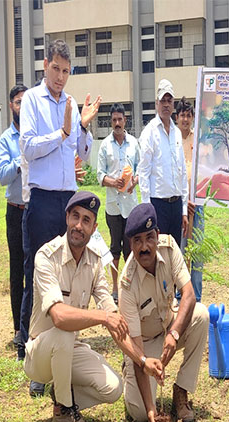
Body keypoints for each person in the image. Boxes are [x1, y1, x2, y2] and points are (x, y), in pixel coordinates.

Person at [23, 191, 164, 422]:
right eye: (75, 217)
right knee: (64, 332)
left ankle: (61, 399)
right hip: (40, 354)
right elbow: (59, 317)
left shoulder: (95, 262)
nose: (79, 225)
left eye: (86, 220)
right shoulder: (46, 256)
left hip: (69, 349)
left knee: (113, 388)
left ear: (94, 227)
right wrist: (101, 317)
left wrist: (142, 361)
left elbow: (114, 320)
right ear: (67, 217)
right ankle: (66, 412)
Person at [17, 39, 102, 387]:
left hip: (68, 202)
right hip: (42, 200)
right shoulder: (33, 102)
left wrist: (82, 127)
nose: (61, 77)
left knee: (67, 275)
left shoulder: (69, 102)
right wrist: (63, 131)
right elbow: (28, 147)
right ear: (45, 65)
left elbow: (80, 151)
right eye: (56, 69)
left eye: (66, 72)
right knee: (38, 277)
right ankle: (35, 355)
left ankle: (64, 344)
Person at [119, 203, 209, 422]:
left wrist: (175, 332)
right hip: (145, 343)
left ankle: (181, 390)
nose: (144, 247)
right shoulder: (127, 284)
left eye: (149, 238)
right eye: (137, 240)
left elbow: (188, 294)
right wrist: (151, 409)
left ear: (157, 236)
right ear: (131, 245)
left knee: (200, 315)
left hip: (169, 325)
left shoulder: (169, 248)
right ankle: (127, 368)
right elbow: (136, 344)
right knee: (138, 413)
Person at [96, 103, 140, 303]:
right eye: (113, 120)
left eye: (120, 119)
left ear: (125, 120)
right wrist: (113, 182)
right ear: (110, 122)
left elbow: (141, 169)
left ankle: (130, 286)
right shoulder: (105, 145)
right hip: (113, 205)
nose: (117, 123)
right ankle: (115, 288)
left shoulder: (133, 143)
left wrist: (134, 182)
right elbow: (99, 174)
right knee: (115, 248)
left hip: (130, 205)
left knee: (130, 248)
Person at [138, 79, 189, 247]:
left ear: (173, 104)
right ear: (156, 103)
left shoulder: (176, 132)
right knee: (158, 253)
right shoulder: (149, 132)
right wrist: (147, 210)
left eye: (169, 101)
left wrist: (183, 210)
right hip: (157, 205)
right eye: (163, 101)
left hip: (175, 205)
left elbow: (181, 172)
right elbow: (143, 172)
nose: (166, 105)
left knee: (174, 252)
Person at [0, 84, 29, 349]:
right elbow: (2, 176)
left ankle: (35, 323)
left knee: (37, 268)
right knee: (17, 270)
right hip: (15, 211)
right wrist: (20, 160)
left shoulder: (34, 134)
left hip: (35, 210)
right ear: (11, 106)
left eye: (25, 102)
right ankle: (19, 329)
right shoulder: (6, 140)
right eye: (18, 102)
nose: (22, 106)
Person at [176, 97, 204, 302]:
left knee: (197, 251)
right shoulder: (173, 140)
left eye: (188, 115)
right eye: (182, 115)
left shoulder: (199, 141)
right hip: (178, 204)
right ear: (177, 118)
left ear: (193, 118)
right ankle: (180, 295)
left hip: (198, 204)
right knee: (179, 249)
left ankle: (196, 297)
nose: (185, 119)